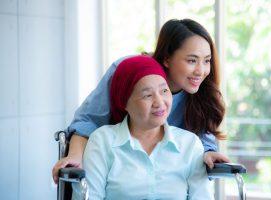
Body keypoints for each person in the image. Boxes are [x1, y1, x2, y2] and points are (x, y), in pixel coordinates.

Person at [52, 19, 229, 183]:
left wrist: (209, 153)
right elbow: (88, 121)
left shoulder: (200, 92)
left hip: (169, 182)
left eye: (207, 61)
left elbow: (204, 141)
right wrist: (74, 156)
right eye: (192, 60)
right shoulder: (128, 72)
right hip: (118, 175)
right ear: (167, 58)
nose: (201, 71)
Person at [72, 55, 213, 199]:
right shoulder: (102, 141)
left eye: (164, 91)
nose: (159, 102)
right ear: (124, 102)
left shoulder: (190, 144)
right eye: (147, 95)